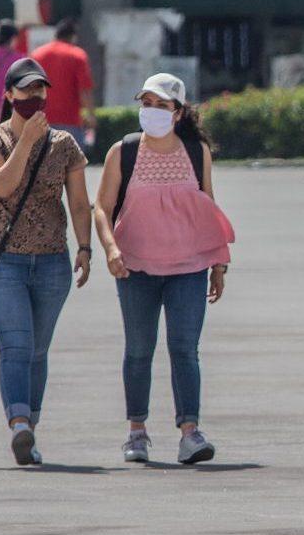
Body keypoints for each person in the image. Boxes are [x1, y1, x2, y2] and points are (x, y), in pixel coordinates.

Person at [92, 73, 234, 465]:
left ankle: (190, 432)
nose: (151, 112)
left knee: (184, 349)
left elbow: (208, 205)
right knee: (139, 350)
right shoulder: (124, 151)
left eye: (161, 105)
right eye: (146, 104)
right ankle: (136, 432)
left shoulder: (195, 151)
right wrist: (109, 249)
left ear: (179, 112)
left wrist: (219, 262)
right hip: (134, 267)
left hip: (189, 266)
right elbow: (101, 206)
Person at [0, 58, 92, 465]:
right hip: (3, 261)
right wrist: (25, 143)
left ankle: (30, 430)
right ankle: (19, 424)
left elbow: (78, 201)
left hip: (51, 262)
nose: (34, 99)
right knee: (17, 346)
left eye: (40, 91)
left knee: (38, 351)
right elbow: (1, 185)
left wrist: (85, 247)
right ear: (9, 95)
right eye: (25, 92)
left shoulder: (64, 145)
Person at [32, 18, 96, 156]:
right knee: (72, 169)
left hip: (40, 121)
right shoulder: (77, 55)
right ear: (73, 36)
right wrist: (90, 115)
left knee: (42, 170)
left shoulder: (37, 55)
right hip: (70, 122)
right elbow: (84, 90)